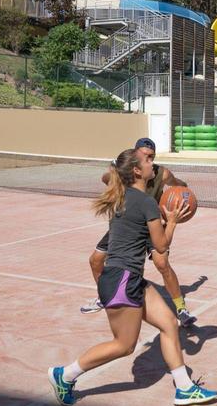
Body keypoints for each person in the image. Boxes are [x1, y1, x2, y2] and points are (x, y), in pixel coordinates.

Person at [48, 148, 217, 406]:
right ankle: (65, 374)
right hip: (122, 280)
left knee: (169, 324)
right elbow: (160, 247)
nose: (153, 163)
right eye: (148, 160)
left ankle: (184, 388)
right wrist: (171, 220)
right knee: (124, 345)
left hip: (127, 278)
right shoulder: (145, 202)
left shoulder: (123, 196)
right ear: (137, 170)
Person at [80, 138, 197, 327]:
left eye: (151, 156)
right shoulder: (124, 174)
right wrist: (113, 171)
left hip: (151, 224)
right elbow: (105, 179)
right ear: (135, 159)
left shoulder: (162, 173)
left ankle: (181, 308)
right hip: (128, 224)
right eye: (144, 156)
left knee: (162, 263)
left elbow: (177, 183)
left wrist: (185, 190)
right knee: (95, 260)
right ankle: (105, 295)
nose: (148, 159)